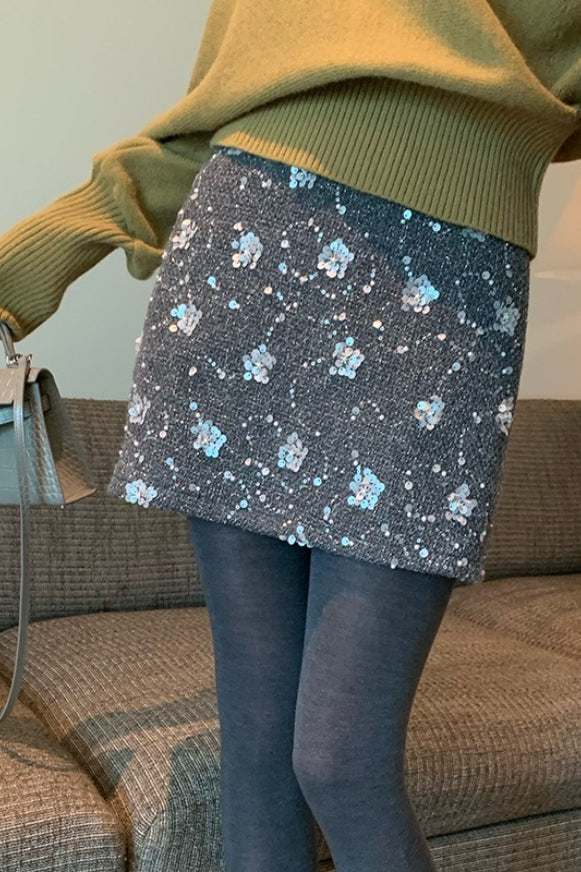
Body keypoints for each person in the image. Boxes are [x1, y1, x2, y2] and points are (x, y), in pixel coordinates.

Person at [1, 2, 580, 870]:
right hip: (244, 253)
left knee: (341, 762)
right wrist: (19, 271)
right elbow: (218, 112)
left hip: (448, 278)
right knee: (259, 757)